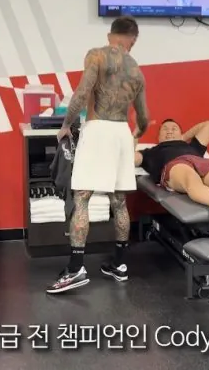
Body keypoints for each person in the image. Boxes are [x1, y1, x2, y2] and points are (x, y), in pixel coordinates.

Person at [46, 16, 149, 294]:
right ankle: (120, 264)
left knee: (82, 197)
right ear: (133, 40)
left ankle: (76, 268)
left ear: (110, 35)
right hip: (121, 132)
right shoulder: (137, 70)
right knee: (119, 202)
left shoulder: (97, 55)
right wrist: (136, 133)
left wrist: (66, 125)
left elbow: (82, 93)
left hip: (97, 128)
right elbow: (144, 117)